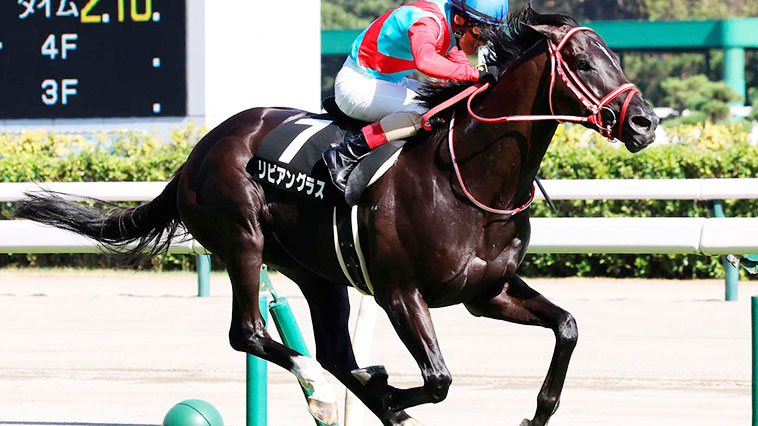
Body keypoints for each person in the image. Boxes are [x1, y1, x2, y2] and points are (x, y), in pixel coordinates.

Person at [323, 0, 509, 193]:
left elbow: (460, 69)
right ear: (459, 19)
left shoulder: (451, 26)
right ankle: (346, 154)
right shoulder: (427, 22)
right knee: (430, 111)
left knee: (449, 102)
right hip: (358, 85)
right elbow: (425, 61)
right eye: (480, 34)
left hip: (387, 82)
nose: (481, 43)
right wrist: (476, 74)